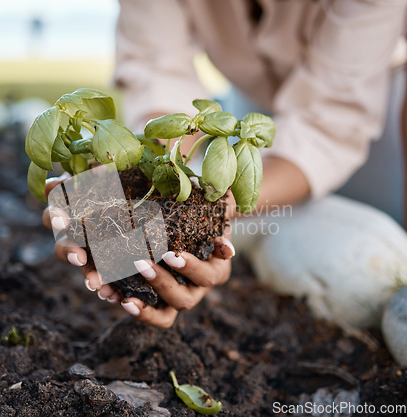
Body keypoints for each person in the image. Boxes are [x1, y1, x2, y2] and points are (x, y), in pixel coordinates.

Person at [44, 0, 407, 330]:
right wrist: (127, 188)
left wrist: (210, 213)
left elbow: (328, 124)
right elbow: (160, 79)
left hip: (380, 116)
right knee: (277, 231)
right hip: (252, 106)